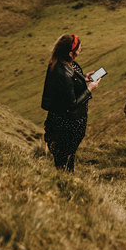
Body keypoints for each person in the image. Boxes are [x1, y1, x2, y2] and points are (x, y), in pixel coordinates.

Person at [41, 32, 100, 171]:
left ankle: (66, 180)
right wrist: (90, 89)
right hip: (68, 124)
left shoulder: (61, 63)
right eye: (78, 48)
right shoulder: (62, 73)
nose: (80, 50)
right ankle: (66, 182)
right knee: (65, 158)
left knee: (67, 155)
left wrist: (84, 78)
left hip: (64, 121)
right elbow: (71, 104)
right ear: (70, 53)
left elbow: (71, 79)